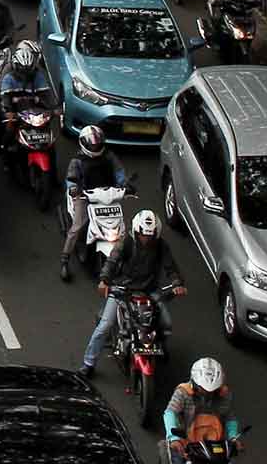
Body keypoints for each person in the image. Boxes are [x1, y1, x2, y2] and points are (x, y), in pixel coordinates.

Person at [81, 210, 185, 375]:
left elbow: (170, 267)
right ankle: (89, 362)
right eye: (143, 235)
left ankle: (160, 346)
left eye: (150, 236)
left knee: (166, 323)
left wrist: (177, 283)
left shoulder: (161, 246)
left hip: (148, 290)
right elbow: (112, 261)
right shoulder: (125, 243)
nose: (146, 239)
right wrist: (104, 280)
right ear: (136, 232)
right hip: (123, 288)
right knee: (105, 326)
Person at [60, 125, 127, 281]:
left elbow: (119, 171)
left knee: (122, 226)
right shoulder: (77, 161)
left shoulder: (109, 156)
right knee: (78, 226)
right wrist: (74, 189)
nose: (95, 146)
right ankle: (65, 260)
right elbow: (71, 179)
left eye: (97, 144)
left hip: (108, 196)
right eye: (92, 144)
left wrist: (125, 184)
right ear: (84, 144)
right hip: (85, 197)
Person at [162, 357, 238, 464]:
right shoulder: (182, 392)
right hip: (186, 442)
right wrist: (174, 438)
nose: (208, 394)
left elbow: (230, 417)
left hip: (213, 444)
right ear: (194, 384)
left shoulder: (224, 395)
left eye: (213, 391)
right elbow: (170, 413)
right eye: (203, 390)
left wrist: (233, 437)